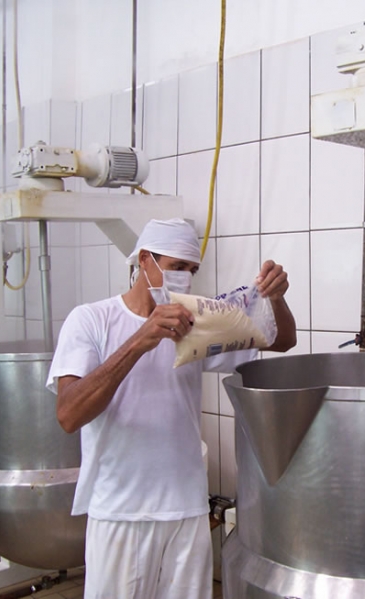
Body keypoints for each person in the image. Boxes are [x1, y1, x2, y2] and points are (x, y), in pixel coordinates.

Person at [46, 218, 296, 599]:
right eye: (176, 267)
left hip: (186, 509)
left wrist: (275, 299)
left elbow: (281, 341)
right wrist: (140, 340)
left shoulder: (196, 323)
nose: (185, 278)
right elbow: (69, 414)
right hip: (121, 512)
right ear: (144, 261)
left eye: (191, 270)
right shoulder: (92, 319)